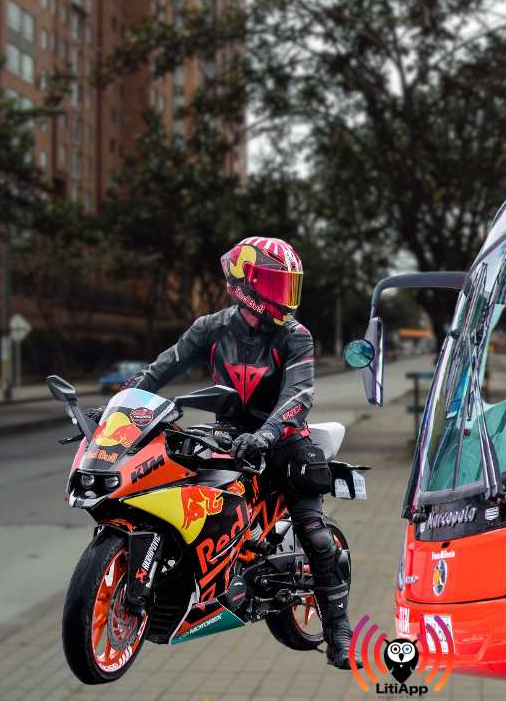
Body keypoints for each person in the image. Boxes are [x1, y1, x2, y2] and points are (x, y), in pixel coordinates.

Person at [122, 236, 357, 670]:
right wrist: (121, 405)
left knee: (313, 531)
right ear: (245, 281)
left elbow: (299, 395)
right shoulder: (209, 328)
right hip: (226, 435)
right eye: (274, 283)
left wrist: (267, 434)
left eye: (289, 285)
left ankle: (339, 631)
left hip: (284, 439)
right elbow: (160, 369)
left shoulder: (295, 336)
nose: (284, 296)